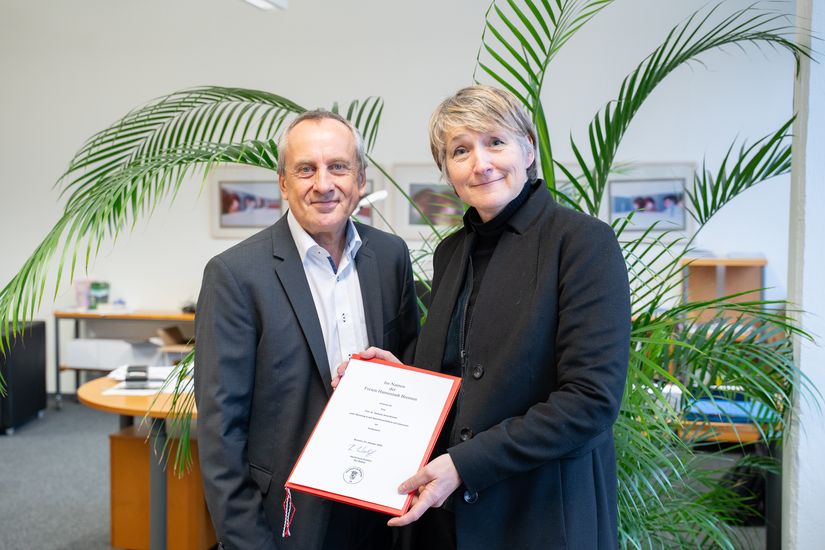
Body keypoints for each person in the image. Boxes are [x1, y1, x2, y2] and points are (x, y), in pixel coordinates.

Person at [339, 85, 630, 549]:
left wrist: (463, 465)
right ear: (448, 173)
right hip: (448, 519)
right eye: (460, 151)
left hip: (540, 516)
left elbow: (590, 401)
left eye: (495, 141)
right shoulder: (451, 252)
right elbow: (464, 373)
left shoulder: (582, 243)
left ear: (528, 148)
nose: (481, 163)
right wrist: (406, 384)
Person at [195, 110, 419, 550]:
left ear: (360, 178)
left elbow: (409, 368)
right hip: (285, 517)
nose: (323, 184)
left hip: (380, 507)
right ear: (283, 182)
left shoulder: (390, 257)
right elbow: (221, 431)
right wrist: (247, 542)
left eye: (338, 166)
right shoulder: (236, 275)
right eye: (305, 169)